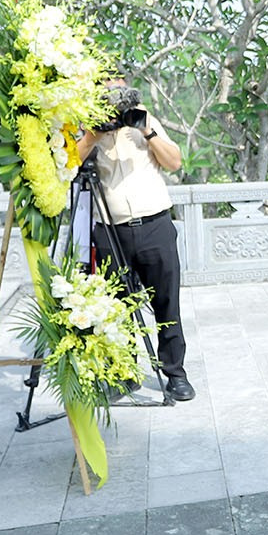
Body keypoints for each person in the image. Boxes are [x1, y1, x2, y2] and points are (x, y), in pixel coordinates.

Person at [76, 80, 194, 402]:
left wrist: (146, 130)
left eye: (120, 94)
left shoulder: (145, 120)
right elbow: (69, 164)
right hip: (111, 229)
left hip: (155, 223)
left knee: (166, 303)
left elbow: (174, 162)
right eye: (108, 95)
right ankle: (125, 374)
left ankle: (175, 374)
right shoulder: (87, 125)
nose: (116, 102)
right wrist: (93, 135)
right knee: (117, 307)